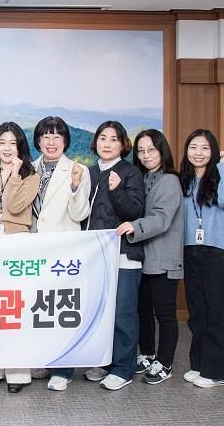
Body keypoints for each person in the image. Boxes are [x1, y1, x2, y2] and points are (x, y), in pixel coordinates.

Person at [0, 121, 39, 394]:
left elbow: (15, 206)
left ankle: (17, 373)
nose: (7, 148)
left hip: (18, 244)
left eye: (13, 143)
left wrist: (14, 174)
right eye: (2, 143)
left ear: (20, 146)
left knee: (15, 311)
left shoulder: (30, 176)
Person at [27, 116, 91, 391]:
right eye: (46, 136)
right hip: (33, 250)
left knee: (61, 309)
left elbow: (80, 214)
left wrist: (75, 187)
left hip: (62, 252)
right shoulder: (29, 168)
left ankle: (63, 370)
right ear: (38, 140)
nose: (51, 142)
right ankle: (43, 360)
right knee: (38, 308)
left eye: (57, 136)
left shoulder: (78, 170)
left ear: (65, 140)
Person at [116, 129, 183, 385]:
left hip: (164, 258)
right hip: (143, 257)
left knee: (165, 313)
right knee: (142, 310)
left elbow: (162, 218)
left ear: (161, 150)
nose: (145, 155)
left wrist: (134, 226)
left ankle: (165, 363)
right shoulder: (143, 178)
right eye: (141, 151)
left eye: (151, 150)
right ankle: (147, 354)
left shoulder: (170, 180)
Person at [82, 120, 145, 391]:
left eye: (113, 139)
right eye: (103, 138)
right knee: (100, 313)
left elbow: (135, 212)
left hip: (123, 255)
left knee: (123, 313)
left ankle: (123, 368)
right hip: (94, 257)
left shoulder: (130, 172)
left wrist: (117, 190)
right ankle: (104, 361)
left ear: (122, 145)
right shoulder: (89, 171)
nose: (107, 144)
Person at [179, 129, 224, 388]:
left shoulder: (219, 177)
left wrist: (223, 165)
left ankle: (217, 372)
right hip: (190, 250)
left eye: (205, 148)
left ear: (213, 151)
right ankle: (200, 364)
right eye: (193, 147)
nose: (198, 153)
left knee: (217, 313)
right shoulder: (184, 181)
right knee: (198, 313)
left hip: (216, 252)